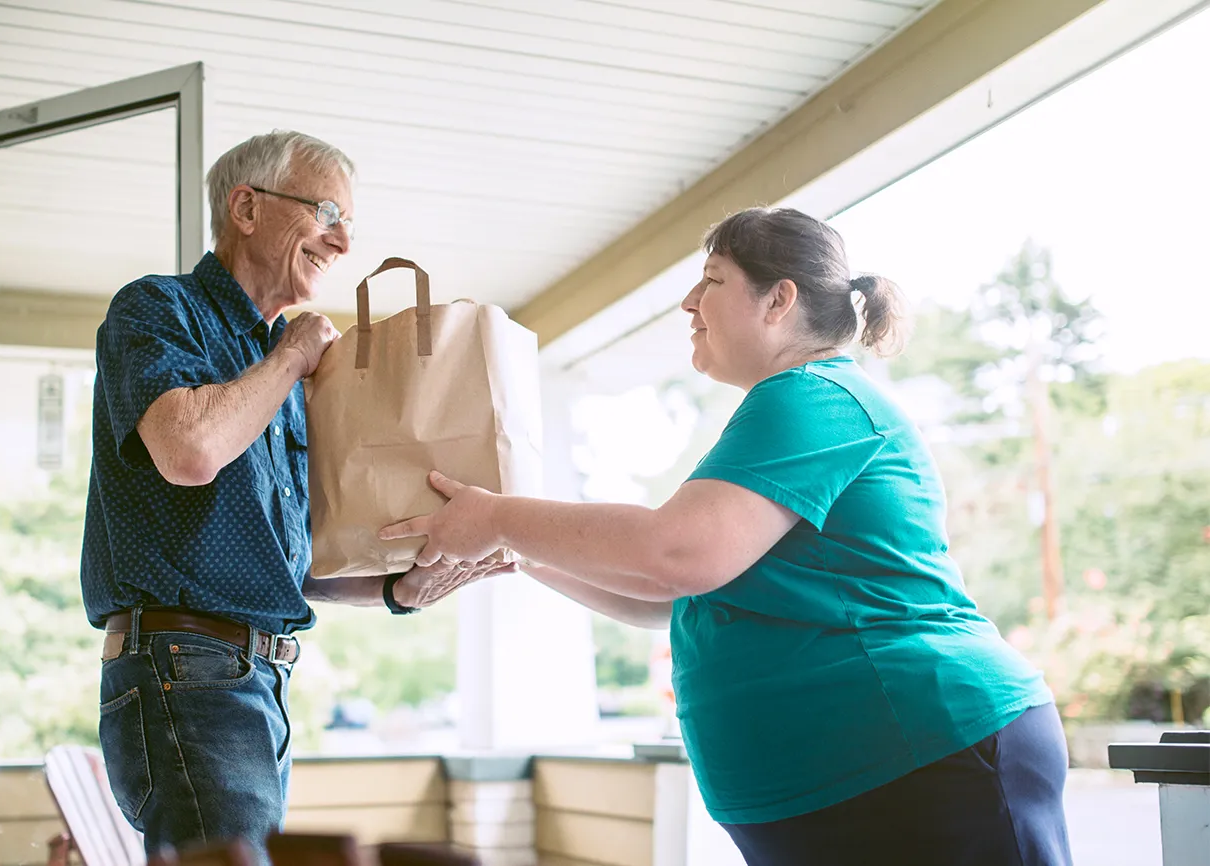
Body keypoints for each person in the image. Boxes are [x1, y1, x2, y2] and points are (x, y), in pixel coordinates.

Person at [383, 207, 1073, 866]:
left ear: (779, 301)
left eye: (711, 281)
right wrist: (514, 550)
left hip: (922, 752)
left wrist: (499, 517)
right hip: (859, 780)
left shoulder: (815, 395)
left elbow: (677, 553)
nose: (688, 302)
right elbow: (666, 592)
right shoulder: (788, 409)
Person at [81, 130, 508, 860]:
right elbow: (190, 451)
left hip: (252, 680)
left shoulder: (277, 375)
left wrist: (403, 589)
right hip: (187, 668)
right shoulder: (159, 309)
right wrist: (290, 356)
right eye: (327, 213)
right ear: (246, 207)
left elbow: (292, 565)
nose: (343, 243)